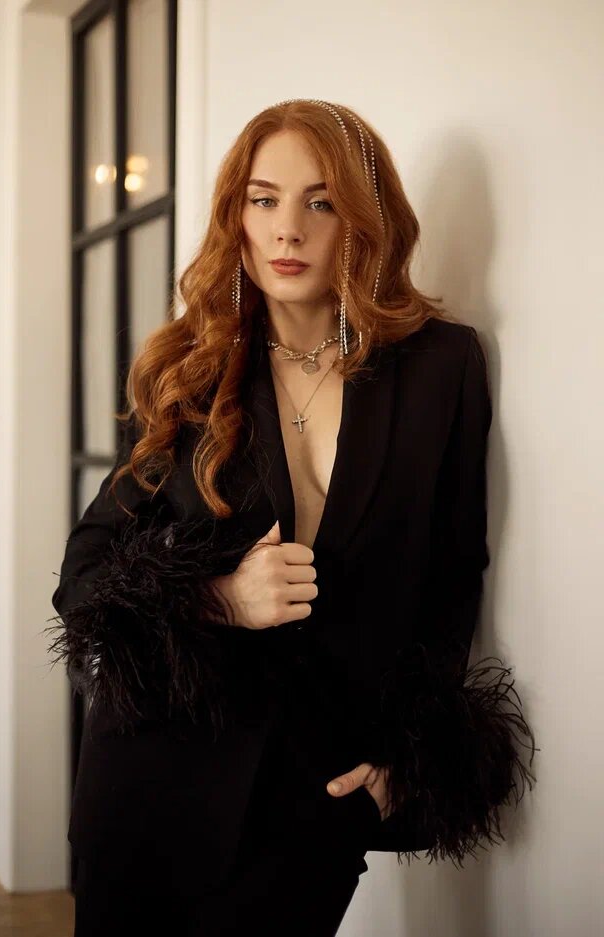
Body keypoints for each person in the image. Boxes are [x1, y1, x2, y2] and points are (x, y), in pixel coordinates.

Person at [46, 99, 537, 936]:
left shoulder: (442, 367)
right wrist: (220, 598)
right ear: (236, 217)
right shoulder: (189, 370)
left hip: (319, 793)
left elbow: (453, 577)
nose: (288, 229)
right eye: (263, 199)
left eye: (321, 201)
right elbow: (84, 574)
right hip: (153, 776)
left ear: (364, 219)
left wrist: (405, 755)